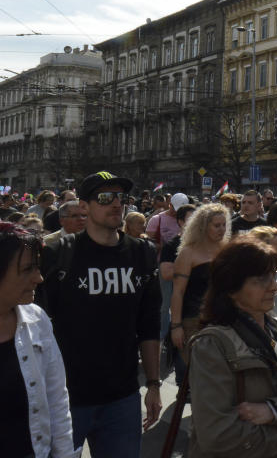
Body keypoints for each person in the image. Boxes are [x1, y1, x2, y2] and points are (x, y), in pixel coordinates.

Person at [38, 171, 162, 457]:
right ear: (84, 206)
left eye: (122, 197)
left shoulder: (141, 253)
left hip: (123, 396)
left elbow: (149, 324)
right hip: (65, 398)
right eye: (106, 198)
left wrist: (154, 384)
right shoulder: (57, 254)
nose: (117, 204)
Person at [187, 235, 277, 457]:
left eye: (274, 276)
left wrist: (273, 410)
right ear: (231, 288)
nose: (274, 287)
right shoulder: (212, 344)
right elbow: (217, 435)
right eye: (261, 279)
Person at [0, 223, 79, 458]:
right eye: (26, 270)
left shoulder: (37, 319)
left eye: (37, 267)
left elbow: (56, 399)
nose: (39, 278)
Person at [170, 203, 230, 381]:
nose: (221, 229)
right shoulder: (188, 253)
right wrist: (176, 326)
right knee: (200, 377)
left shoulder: (227, 249)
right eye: (216, 225)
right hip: (194, 321)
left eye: (224, 224)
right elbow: (178, 292)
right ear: (203, 227)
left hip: (224, 320)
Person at [159, 204, 196, 345]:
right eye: (191, 219)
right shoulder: (171, 245)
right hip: (182, 307)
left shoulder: (207, 244)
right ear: (180, 222)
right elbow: (167, 273)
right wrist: (192, 264)